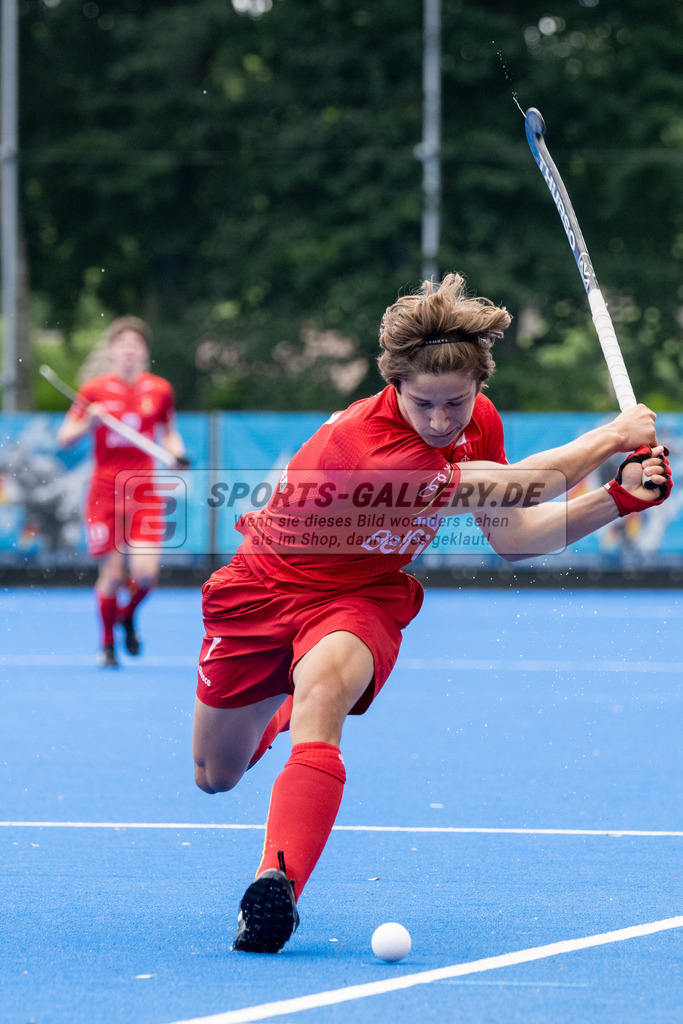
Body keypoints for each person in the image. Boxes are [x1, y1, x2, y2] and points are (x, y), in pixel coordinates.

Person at [192, 273, 671, 953]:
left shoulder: (479, 422)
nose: (444, 421)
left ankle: (275, 885)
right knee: (215, 776)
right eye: (424, 404)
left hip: (357, 596)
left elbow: (512, 536)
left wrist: (616, 501)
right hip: (262, 590)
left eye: (458, 402)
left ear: (479, 385)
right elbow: (527, 482)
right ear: (393, 385)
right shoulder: (367, 449)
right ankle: (281, 704)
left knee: (325, 689)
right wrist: (610, 438)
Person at [57, 316, 186, 667]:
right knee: (112, 575)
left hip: (143, 490)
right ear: (113, 350)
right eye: (123, 344)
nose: (129, 351)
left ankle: (127, 615)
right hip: (103, 493)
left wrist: (176, 453)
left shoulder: (159, 389)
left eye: (136, 345)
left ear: (143, 352)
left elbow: (170, 432)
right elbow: (64, 438)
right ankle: (107, 644)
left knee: (145, 574)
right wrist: (90, 421)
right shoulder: (93, 391)